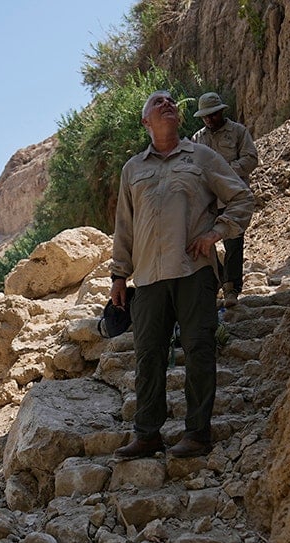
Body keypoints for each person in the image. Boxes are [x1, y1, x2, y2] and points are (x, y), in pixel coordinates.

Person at [111, 90, 254, 459]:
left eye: (171, 101)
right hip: (147, 277)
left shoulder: (202, 156)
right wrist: (118, 276)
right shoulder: (132, 169)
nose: (167, 103)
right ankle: (147, 434)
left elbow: (241, 198)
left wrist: (216, 232)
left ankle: (198, 434)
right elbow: (124, 226)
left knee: (199, 350)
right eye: (157, 102)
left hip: (194, 271)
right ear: (145, 121)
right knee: (148, 355)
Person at [191, 91, 258, 308]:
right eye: (205, 116)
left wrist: (226, 173)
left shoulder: (238, 132)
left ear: (221, 112)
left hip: (233, 199)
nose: (209, 119)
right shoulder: (197, 138)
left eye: (213, 114)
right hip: (208, 201)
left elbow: (251, 158)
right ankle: (217, 281)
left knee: (233, 243)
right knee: (202, 243)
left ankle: (231, 289)